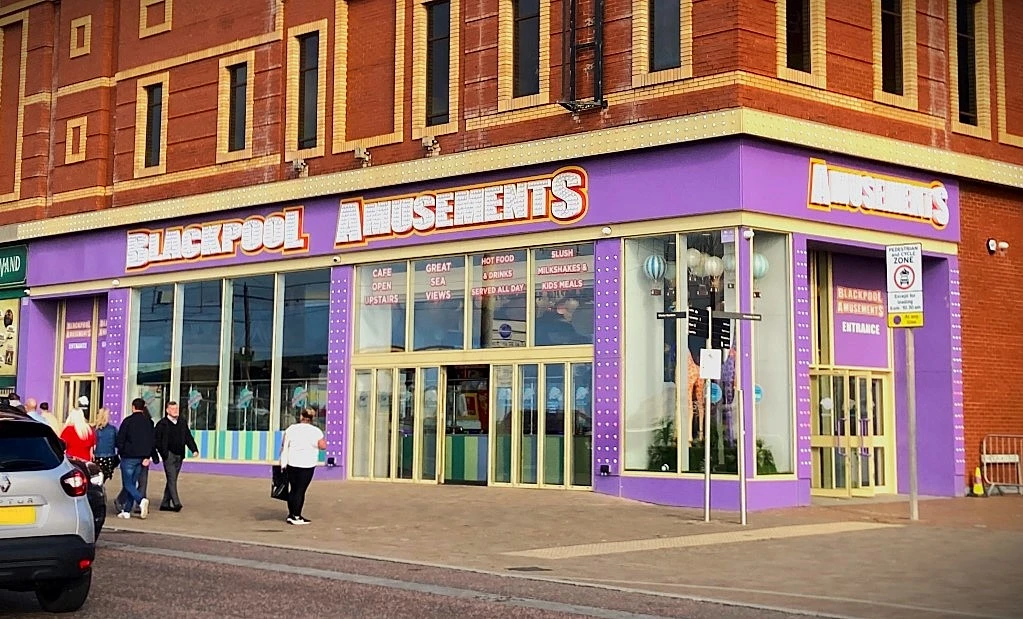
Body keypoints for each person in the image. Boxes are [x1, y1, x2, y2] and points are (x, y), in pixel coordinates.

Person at [279, 408, 326, 525]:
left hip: (292, 462)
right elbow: (322, 446)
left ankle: (291, 514)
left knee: (293, 489)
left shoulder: (291, 429)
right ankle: (296, 516)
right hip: (307, 464)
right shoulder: (316, 431)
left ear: (301, 417)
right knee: (300, 490)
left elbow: (284, 444)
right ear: (312, 419)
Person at [115, 397, 159, 520]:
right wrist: (148, 455)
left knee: (128, 483)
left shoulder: (127, 421)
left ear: (133, 407)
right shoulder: (149, 422)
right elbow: (152, 440)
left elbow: (120, 439)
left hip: (128, 456)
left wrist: (121, 451)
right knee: (133, 483)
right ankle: (127, 510)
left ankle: (140, 500)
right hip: (142, 458)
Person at [154, 401, 198, 512]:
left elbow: (188, 437)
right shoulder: (162, 424)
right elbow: (157, 440)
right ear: (167, 410)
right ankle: (176, 502)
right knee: (172, 478)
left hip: (179, 455)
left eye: (176, 409)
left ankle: (165, 503)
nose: (175, 411)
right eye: (173, 409)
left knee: (172, 479)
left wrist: (194, 449)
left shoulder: (182, 422)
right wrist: (163, 453)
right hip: (169, 455)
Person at [92, 408, 119, 481]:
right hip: (110, 456)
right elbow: (117, 443)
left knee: (97, 477)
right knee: (105, 476)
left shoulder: (94, 429)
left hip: (97, 456)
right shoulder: (113, 429)